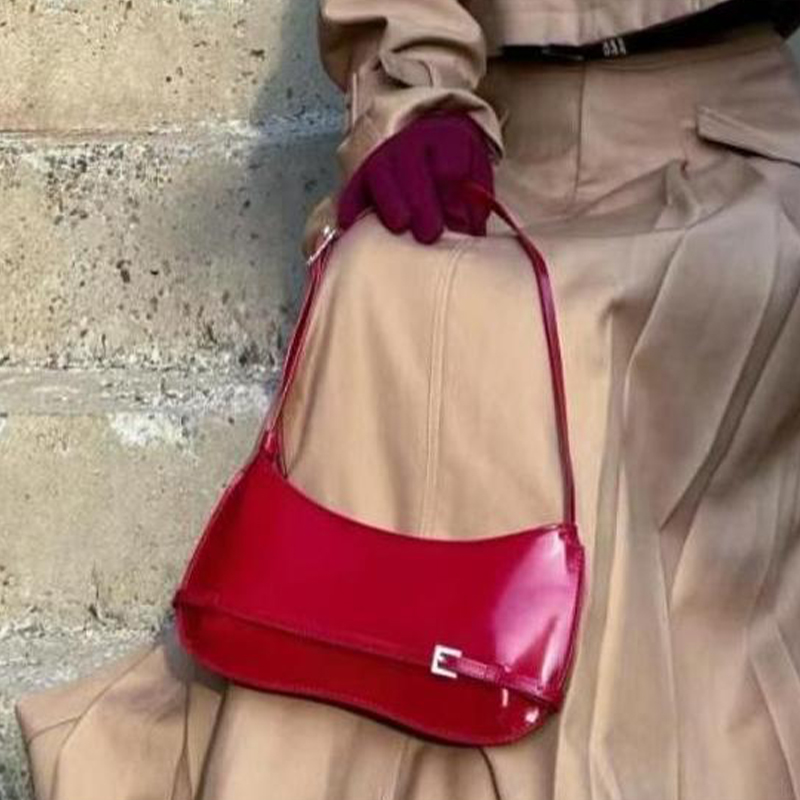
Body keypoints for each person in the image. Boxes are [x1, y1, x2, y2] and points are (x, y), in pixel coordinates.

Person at [16, 1, 800, 798]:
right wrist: (416, 106)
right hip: (496, 141)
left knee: (568, 342)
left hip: (719, 142)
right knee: (375, 284)